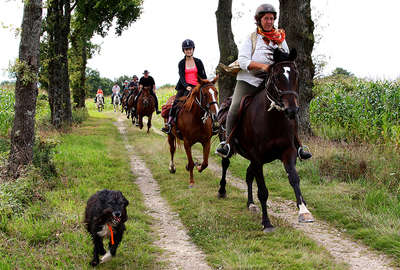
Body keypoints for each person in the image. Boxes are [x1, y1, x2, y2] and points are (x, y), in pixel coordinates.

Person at [215, 3, 312, 160]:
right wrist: (264, 67)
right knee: (235, 106)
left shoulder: (280, 39)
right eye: (266, 18)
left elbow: (286, 58)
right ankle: (227, 143)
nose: (269, 21)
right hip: (249, 80)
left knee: (291, 105)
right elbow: (244, 61)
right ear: (259, 20)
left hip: (272, 82)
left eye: (272, 18)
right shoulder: (252, 38)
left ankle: (298, 146)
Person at [161, 39, 207, 134]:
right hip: (184, 87)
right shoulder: (181, 63)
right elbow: (182, 77)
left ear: (193, 49)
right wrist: (186, 86)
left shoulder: (198, 62)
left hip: (198, 86)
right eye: (186, 49)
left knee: (209, 101)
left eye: (190, 49)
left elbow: (203, 75)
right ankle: (169, 124)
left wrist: (205, 85)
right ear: (184, 50)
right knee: (176, 103)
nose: (188, 51)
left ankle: (214, 123)